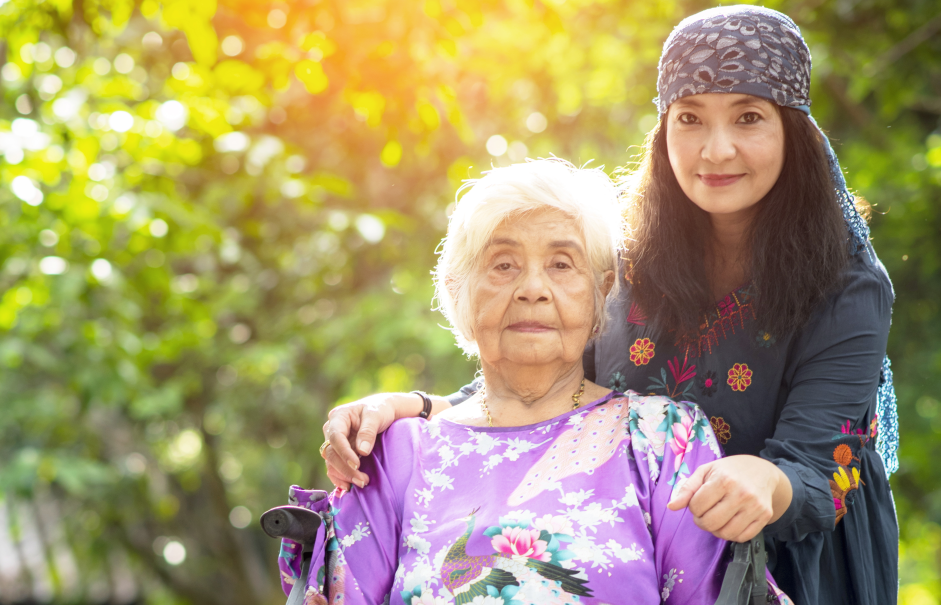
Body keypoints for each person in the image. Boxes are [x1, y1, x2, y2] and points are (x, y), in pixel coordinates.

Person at [318, 6, 898, 605]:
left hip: (791, 549)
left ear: (792, 131)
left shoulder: (845, 285)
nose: (716, 149)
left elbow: (821, 463)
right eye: (690, 119)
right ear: (663, 131)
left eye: (748, 117)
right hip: (620, 537)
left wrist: (769, 480)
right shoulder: (632, 260)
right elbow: (542, 382)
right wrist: (410, 408)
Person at [279, 159, 791, 604]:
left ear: (601, 292)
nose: (532, 289)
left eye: (562, 264)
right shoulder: (395, 453)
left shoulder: (662, 439)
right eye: (503, 264)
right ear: (458, 290)